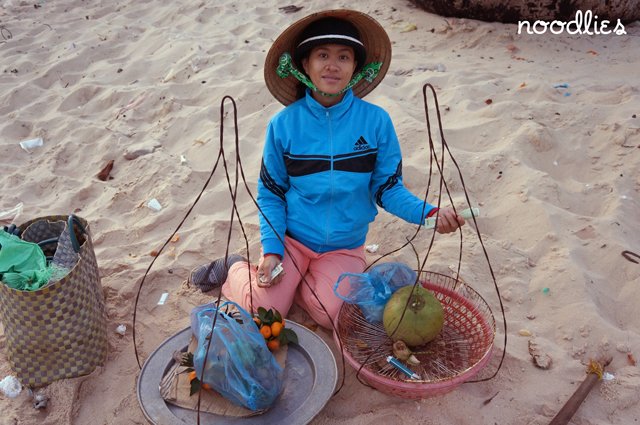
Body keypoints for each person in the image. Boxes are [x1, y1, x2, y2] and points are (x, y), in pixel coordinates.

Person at [190, 9, 465, 329]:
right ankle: (236, 268)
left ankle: (306, 283)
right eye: (322, 55)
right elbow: (271, 194)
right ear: (305, 65)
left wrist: (428, 214)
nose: (333, 65)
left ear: (356, 68)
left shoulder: (377, 122)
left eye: (344, 57)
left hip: (344, 246)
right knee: (265, 311)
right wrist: (272, 251)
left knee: (339, 316)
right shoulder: (284, 124)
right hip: (292, 240)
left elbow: (387, 188)